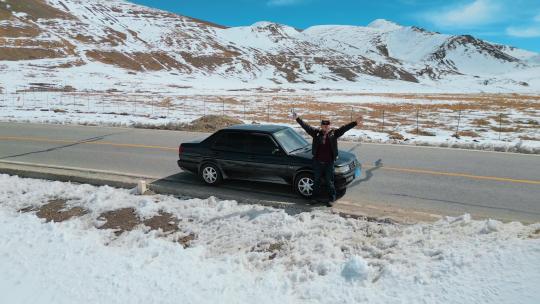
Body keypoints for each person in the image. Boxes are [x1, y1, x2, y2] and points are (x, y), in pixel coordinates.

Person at [292, 111, 363, 206]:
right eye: (324, 126)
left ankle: (331, 199)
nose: (326, 127)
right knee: (316, 181)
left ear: (330, 126)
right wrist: (297, 118)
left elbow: (344, 128)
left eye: (327, 126)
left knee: (329, 181)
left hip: (329, 163)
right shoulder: (316, 133)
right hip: (317, 162)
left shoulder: (334, 134)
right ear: (321, 126)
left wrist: (355, 123)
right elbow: (306, 127)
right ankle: (314, 198)